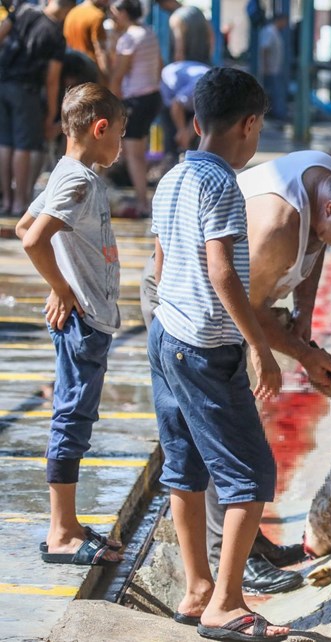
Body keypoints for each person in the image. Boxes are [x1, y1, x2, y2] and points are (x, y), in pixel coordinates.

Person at [141, 150, 331, 593]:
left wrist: (304, 315)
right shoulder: (278, 225)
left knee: (232, 435)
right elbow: (248, 311)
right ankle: (230, 564)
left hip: (228, 313)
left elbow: (314, 249)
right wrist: (299, 353)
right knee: (227, 445)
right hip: (198, 311)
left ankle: (246, 544)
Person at [147, 67, 288, 640]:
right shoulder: (223, 184)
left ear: (198, 121)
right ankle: (226, 604)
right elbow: (223, 270)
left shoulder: (171, 177)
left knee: (184, 467)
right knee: (250, 475)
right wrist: (259, 347)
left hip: (165, 333)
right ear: (250, 124)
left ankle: (197, 586)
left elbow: (158, 265)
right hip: (205, 347)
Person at [15, 83, 126, 567]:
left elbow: (23, 226)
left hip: (86, 317)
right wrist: (61, 288)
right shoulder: (78, 180)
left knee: (75, 413)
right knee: (73, 418)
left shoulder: (68, 172)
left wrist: (59, 278)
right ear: (100, 129)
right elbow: (33, 239)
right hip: (84, 320)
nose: (121, 143)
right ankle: (61, 532)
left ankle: (71, 522)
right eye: (120, 133)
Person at [0, 0, 76, 218]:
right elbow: (52, 79)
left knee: (5, 143)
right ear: (68, 8)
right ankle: (20, 201)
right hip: (27, 89)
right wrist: (53, 112)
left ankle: (6, 198)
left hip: (3, 82)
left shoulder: (24, 10)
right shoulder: (56, 35)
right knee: (23, 145)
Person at [108, 0, 162, 217]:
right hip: (151, 96)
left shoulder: (130, 38)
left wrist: (110, 104)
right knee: (138, 150)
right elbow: (159, 63)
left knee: (134, 154)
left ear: (123, 13)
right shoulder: (149, 33)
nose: (112, 17)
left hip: (135, 100)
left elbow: (118, 75)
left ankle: (142, 202)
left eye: (114, 12)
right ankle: (143, 199)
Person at [160, 59, 210, 155]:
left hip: (189, 99)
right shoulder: (196, 87)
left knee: (195, 135)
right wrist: (182, 130)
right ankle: (170, 159)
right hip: (171, 93)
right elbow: (176, 105)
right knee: (173, 135)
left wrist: (189, 132)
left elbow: (202, 114)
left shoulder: (213, 93)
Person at [62, 0, 110, 81]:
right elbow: (100, 51)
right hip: (89, 70)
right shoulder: (97, 16)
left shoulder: (72, 12)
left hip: (71, 69)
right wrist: (107, 77)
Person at [153, 0, 211, 64]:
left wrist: (178, 66)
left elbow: (179, 48)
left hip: (187, 67)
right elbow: (211, 36)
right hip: (204, 64)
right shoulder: (197, 11)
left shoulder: (176, 18)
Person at [259, 13, 287, 122]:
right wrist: (265, 67)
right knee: (273, 92)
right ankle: (275, 115)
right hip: (269, 69)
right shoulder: (269, 32)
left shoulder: (275, 32)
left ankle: (275, 114)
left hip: (274, 68)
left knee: (274, 92)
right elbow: (264, 49)